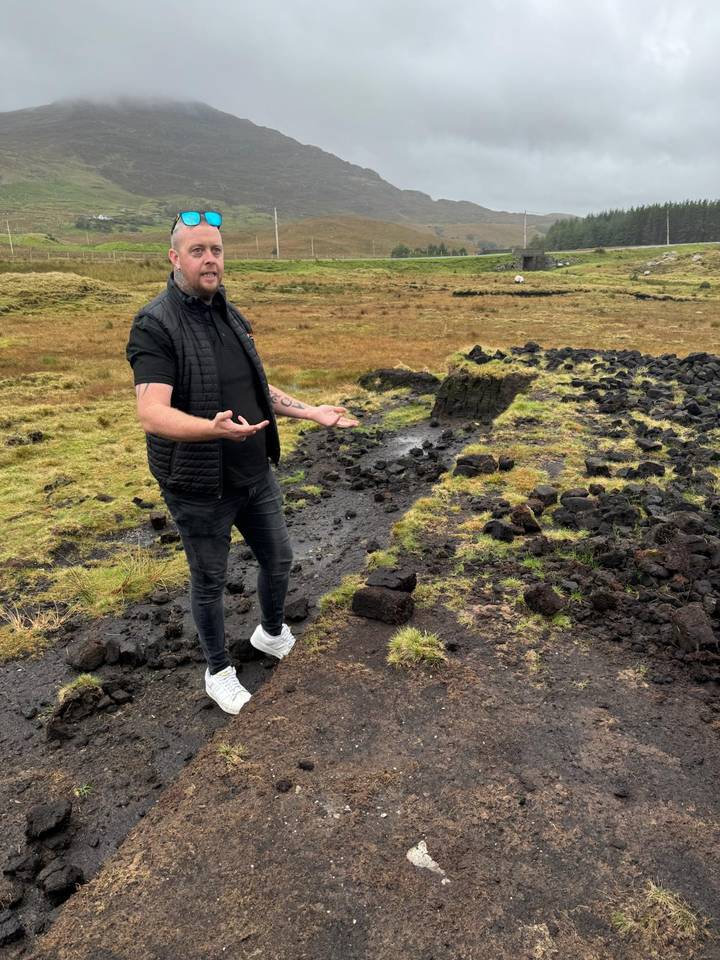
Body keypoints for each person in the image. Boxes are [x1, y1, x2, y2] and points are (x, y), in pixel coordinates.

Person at [126, 210, 357, 715]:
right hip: (199, 483)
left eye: (216, 250)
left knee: (278, 559)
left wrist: (311, 412)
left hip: (255, 472)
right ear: (174, 258)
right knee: (209, 580)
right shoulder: (155, 324)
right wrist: (210, 430)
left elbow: (256, 388)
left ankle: (271, 634)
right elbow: (152, 412)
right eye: (197, 250)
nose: (209, 260)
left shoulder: (231, 315)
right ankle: (218, 670)